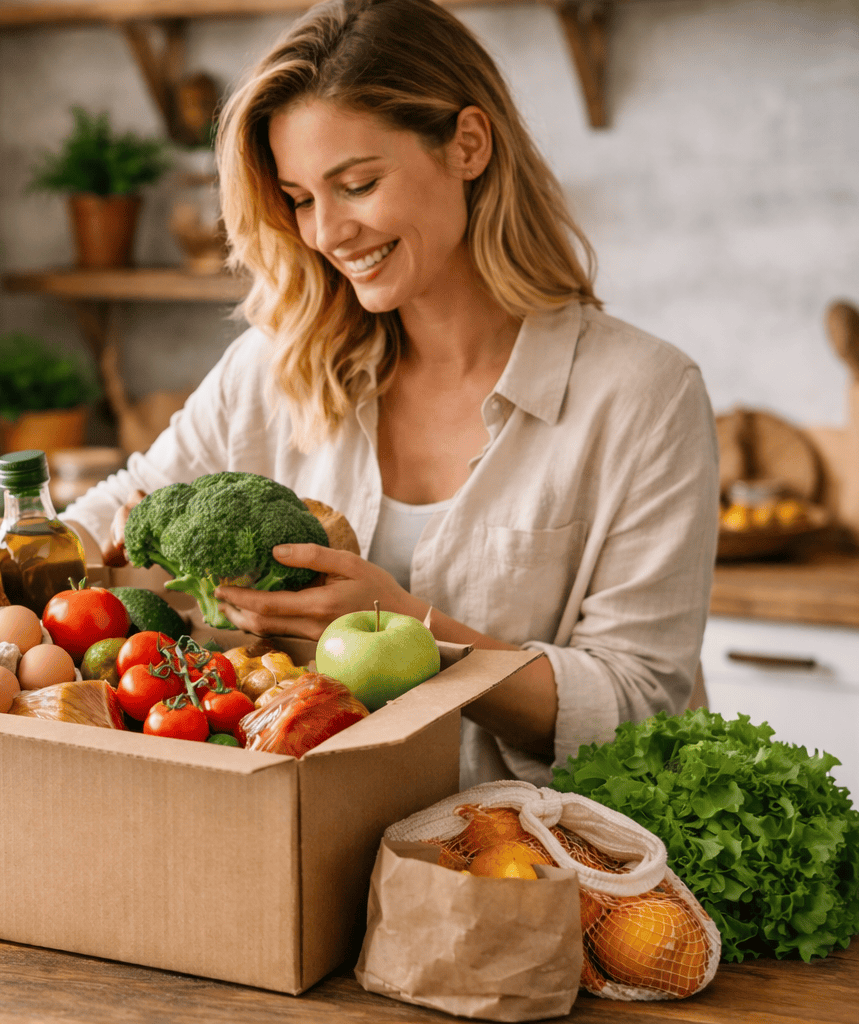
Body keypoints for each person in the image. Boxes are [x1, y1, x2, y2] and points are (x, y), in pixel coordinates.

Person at [61, 0, 718, 787]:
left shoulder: (643, 397)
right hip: (292, 852)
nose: (327, 232)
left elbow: (637, 704)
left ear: (468, 145)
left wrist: (413, 632)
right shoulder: (275, 367)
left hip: (522, 873)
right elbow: (114, 514)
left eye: (359, 184)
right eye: (301, 199)